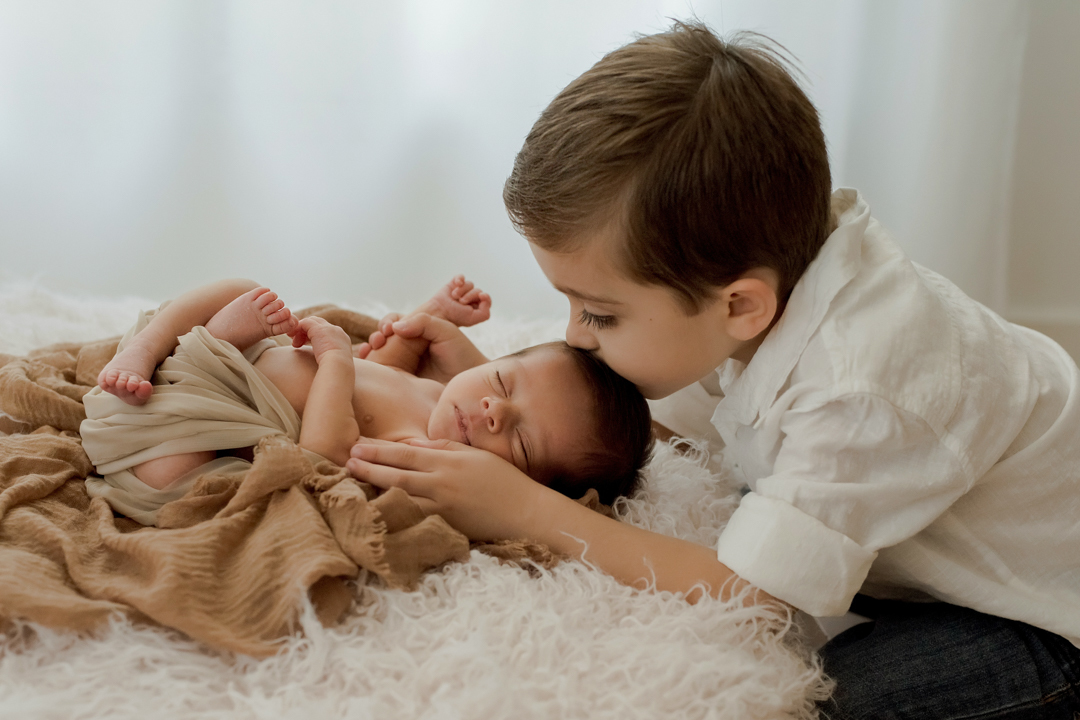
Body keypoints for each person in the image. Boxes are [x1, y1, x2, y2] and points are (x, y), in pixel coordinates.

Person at [346, 21, 1080, 719]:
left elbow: (754, 596)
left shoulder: (860, 391)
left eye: (600, 314)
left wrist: (522, 505)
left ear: (741, 307)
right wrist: (500, 392)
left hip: (1040, 621)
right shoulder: (753, 285)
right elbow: (657, 436)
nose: (574, 336)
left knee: (816, 697)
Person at [80, 276, 651, 526]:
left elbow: (325, 454)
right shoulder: (436, 395)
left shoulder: (424, 451)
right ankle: (145, 350)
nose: (493, 412)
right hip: (223, 366)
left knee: (182, 489)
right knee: (239, 288)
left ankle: (204, 349)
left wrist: (333, 362)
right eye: (501, 384)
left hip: (196, 424)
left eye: (520, 441)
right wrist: (434, 317)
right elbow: (380, 370)